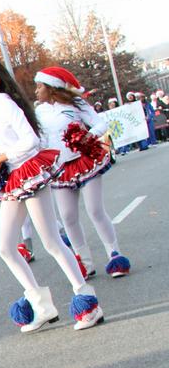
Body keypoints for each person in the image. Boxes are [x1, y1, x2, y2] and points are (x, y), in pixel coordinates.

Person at [0, 60, 103, 332]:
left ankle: (88, 301)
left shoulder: (4, 103)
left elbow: (30, 140)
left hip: (29, 174)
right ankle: (40, 305)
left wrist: (3, 157)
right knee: (6, 247)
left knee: (52, 242)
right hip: (13, 180)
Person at [34, 67, 130, 280]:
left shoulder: (75, 104)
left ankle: (114, 254)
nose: (36, 90)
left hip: (84, 161)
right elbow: (40, 141)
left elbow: (100, 123)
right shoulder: (39, 112)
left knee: (95, 210)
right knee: (68, 217)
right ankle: (84, 262)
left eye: (40, 86)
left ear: (52, 88)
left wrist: (88, 136)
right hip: (60, 168)